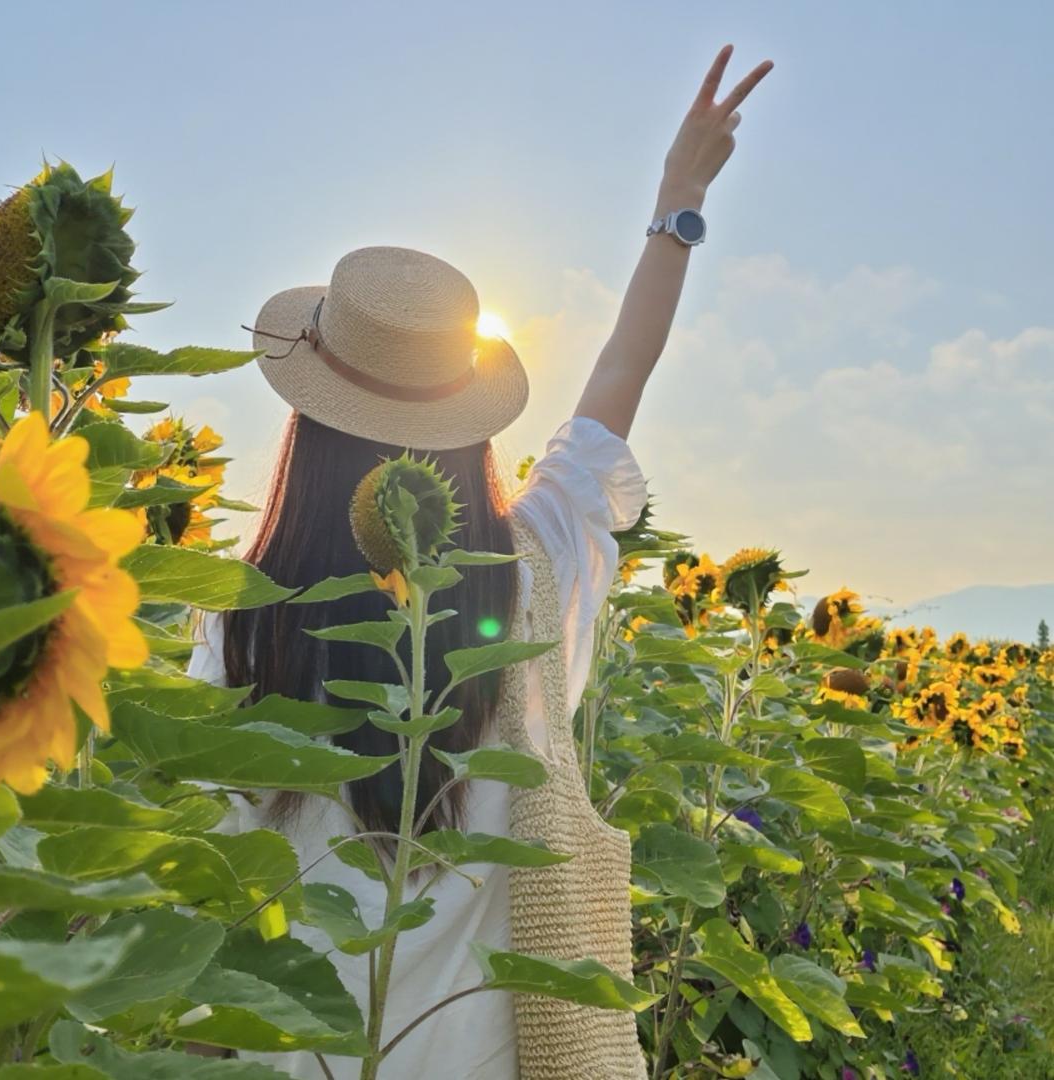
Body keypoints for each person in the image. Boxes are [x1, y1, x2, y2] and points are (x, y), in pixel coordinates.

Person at [186, 43, 772, 1080]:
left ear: (309, 421)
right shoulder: (531, 570)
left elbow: (210, 888)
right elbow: (618, 380)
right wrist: (676, 206)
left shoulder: (244, 618)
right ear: (466, 424)